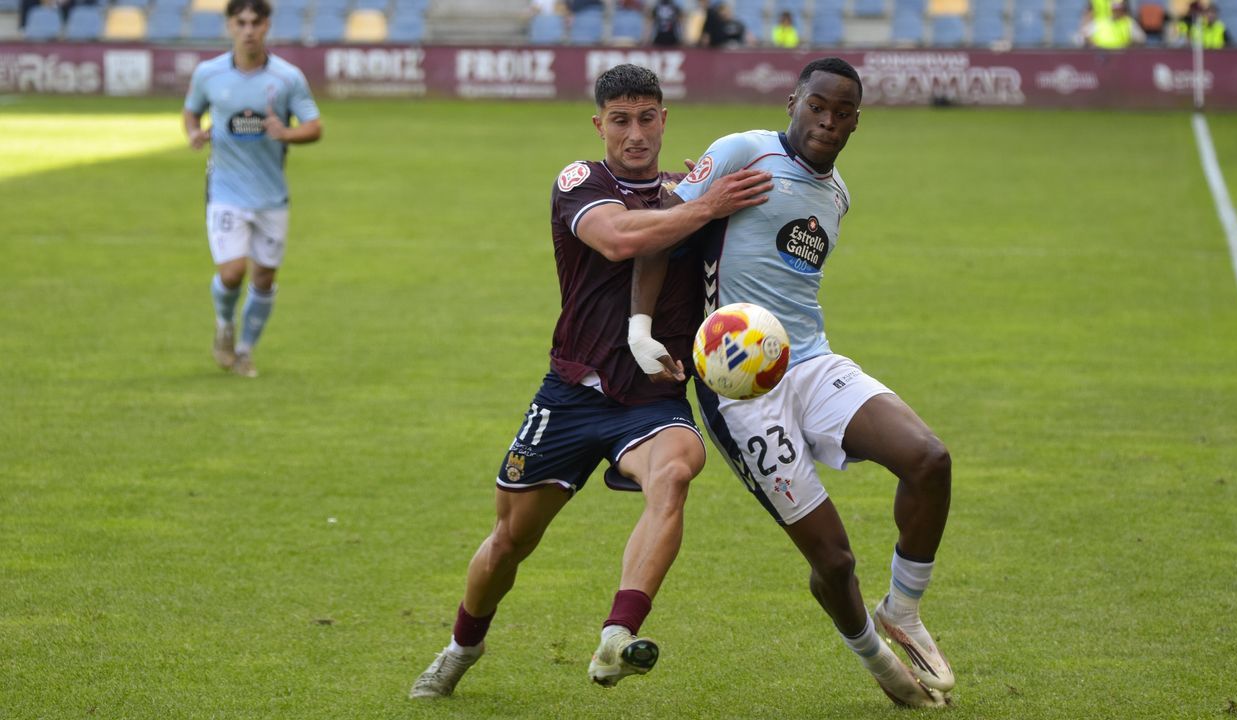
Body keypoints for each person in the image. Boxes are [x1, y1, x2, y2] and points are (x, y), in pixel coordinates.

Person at [408, 64, 772, 700]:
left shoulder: (687, 192)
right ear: (599, 124)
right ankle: (463, 645)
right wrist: (704, 203)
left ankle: (617, 633)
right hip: (573, 393)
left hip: (653, 400)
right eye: (621, 120)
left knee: (678, 469)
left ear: (665, 118)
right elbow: (617, 239)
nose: (636, 133)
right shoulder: (582, 182)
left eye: (648, 117)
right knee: (510, 541)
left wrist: (711, 208)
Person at [627, 57, 952, 708]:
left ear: (859, 122)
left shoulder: (838, 196)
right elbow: (663, 232)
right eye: (817, 106)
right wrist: (640, 328)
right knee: (833, 561)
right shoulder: (741, 152)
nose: (827, 122)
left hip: (809, 361)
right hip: (740, 389)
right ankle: (874, 655)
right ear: (792, 102)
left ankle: (904, 610)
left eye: (842, 113)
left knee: (929, 460)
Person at [182, 0, 322, 378]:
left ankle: (245, 351)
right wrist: (194, 132)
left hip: (271, 194)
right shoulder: (209, 73)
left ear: (266, 27)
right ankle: (225, 328)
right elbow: (192, 110)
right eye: (240, 22)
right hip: (225, 189)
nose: (248, 30)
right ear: (229, 26)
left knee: (264, 278)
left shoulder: (287, 78)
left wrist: (287, 132)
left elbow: (314, 126)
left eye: (255, 23)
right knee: (231, 273)